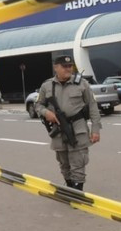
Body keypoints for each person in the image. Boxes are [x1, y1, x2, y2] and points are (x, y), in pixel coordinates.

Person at [34, 55, 101, 191]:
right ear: (56, 68)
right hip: (59, 129)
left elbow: (93, 106)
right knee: (64, 163)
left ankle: (77, 192)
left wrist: (95, 129)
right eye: (64, 67)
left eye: (70, 66)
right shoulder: (47, 86)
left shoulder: (82, 84)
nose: (68, 69)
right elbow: (38, 105)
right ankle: (70, 187)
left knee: (78, 162)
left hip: (78, 128)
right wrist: (46, 113)